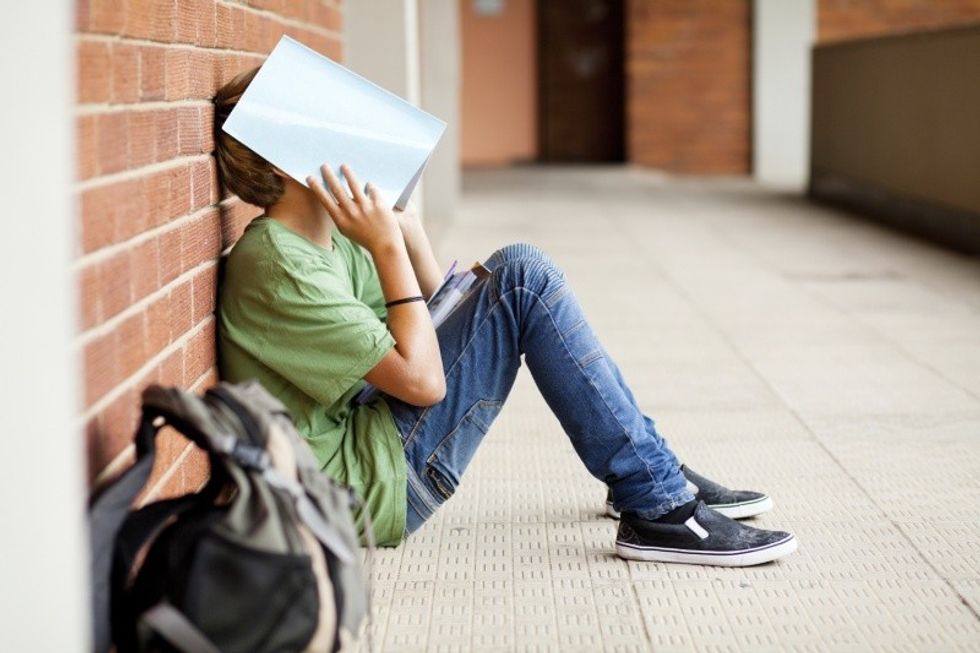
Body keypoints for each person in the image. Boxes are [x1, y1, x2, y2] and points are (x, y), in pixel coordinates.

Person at [214, 68, 797, 567]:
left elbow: (438, 318)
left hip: (372, 435)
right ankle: (657, 501)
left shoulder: (328, 239)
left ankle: (649, 475)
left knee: (516, 278)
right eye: (325, 121)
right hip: (363, 487)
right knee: (522, 277)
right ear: (286, 159)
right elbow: (423, 381)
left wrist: (408, 233)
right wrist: (387, 248)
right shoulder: (280, 264)